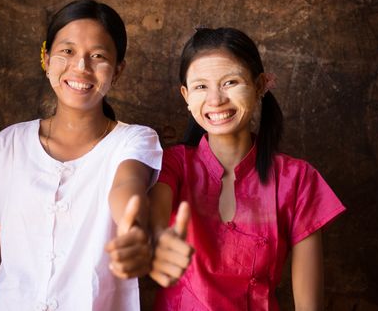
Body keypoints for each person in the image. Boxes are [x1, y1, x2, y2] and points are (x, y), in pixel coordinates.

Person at [0, 0, 162, 311]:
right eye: (67, 51)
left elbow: (127, 187)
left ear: (118, 70)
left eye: (97, 56)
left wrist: (132, 228)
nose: (81, 67)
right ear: (45, 58)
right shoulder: (8, 145)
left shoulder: (133, 140)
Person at [148, 27, 346, 310]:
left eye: (230, 82)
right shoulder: (172, 163)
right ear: (185, 96)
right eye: (201, 86)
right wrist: (155, 236)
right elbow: (154, 217)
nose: (216, 100)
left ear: (261, 84)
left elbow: (308, 305)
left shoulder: (298, 179)